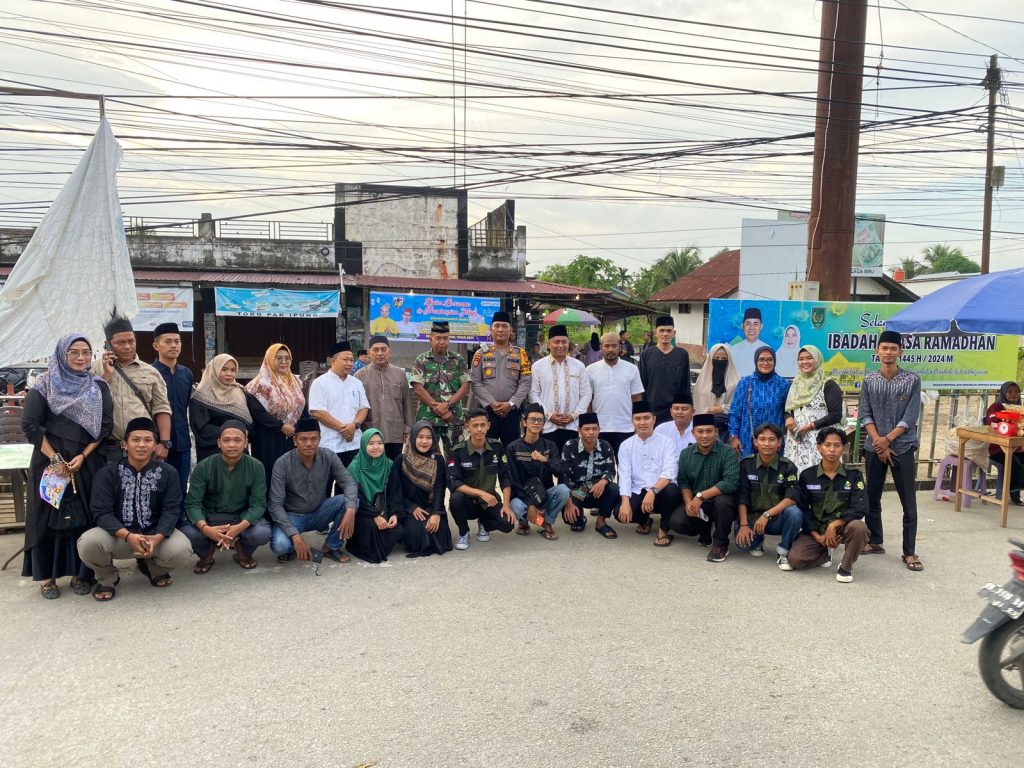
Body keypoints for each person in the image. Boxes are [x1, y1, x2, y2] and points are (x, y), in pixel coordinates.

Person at [22, 334, 112, 599]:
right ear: (62, 354)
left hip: (85, 464)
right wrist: (55, 459)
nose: (81, 357)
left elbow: (105, 426)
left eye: (86, 352)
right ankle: (47, 578)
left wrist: (83, 456)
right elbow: (30, 425)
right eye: (74, 352)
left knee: (83, 518)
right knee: (46, 519)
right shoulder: (44, 385)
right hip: (49, 463)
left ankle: (80, 574)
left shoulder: (97, 386)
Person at [78, 417, 193, 601]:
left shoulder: (168, 473)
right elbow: (101, 512)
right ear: (125, 444)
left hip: (153, 536)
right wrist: (128, 536)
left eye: (148, 440)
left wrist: (158, 537)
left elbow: (172, 510)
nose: (141, 445)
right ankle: (107, 577)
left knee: (182, 549)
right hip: (118, 537)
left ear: (155, 445)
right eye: (136, 440)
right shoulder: (107, 473)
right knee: (88, 543)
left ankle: (153, 568)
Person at [859, 329, 923, 572]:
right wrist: (879, 441)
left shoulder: (912, 380)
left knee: (908, 501)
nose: (888, 352)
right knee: (872, 497)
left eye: (893, 349)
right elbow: (865, 414)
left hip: (902, 447)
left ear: (900, 352)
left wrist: (888, 439)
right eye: (884, 348)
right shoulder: (869, 380)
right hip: (874, 447)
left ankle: (909, 552)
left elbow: (911, 416)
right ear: (877, 351)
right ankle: (875, 541)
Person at [267, 417, 358, 564]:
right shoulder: (282, 463)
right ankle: (293, 547)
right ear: (295, 440)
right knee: (280, 546)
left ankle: (331, 546)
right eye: (303, 439)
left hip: (319, 511)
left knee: (351, 501)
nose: (309, 443)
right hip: (293, 515)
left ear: (319, 439)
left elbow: (348, 482)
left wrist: (351, 510)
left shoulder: (328, 456)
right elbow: (275, 505)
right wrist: (295, 536)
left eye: (314, 439)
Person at [183, 421, 271, 573]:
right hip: (209, 517)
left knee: (262, 533)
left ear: (245, 442)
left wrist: (239, 528)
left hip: (240, 517)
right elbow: (192, 504)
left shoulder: (256, 466)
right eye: (226, 440)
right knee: (187, 532)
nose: (231, 445)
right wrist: (206, 529)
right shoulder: (203, 466)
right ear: (219, 443)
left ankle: (242, 548)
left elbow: (259, 504)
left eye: (237, 440)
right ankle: (206, 552)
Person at [787, 427, 870, 583]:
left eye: (837, 445)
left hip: (843, 527)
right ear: (819, 448)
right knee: (795, 560)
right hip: (817, 527)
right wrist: (818, 536)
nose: (832, 449)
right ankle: (825, 551)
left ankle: (845, 567)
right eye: (827, 445)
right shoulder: (807, 475)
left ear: (844, 448)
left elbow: (861, 507)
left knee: (859, 528)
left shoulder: (854, 475)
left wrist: (834, 525)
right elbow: (804, 509)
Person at [94, 316, 172, 464]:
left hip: (142, 448)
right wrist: (105, 376)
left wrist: (164, 443)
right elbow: (88, 404)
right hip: (107, 449)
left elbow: (162, 408)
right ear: (108, 344)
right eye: (120, 343)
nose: (127, 347)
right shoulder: (95, 370)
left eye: (131, 341)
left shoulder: (151, 372)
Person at [668, 414, 740, 560]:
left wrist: (700, 497)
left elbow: (730, 481)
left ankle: (721, 544)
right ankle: (704, 528)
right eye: (700, 431)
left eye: (709, 431)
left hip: (721, 501)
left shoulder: (728, 452)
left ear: (716, 432)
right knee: (677, 522)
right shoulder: (686, 454)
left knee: (723, 502)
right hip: (699, 503)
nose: (705, 435)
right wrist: (689, 503)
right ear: (693, 433)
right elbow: (684, 481)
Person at [445, 407, 517, 550]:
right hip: (468, 502)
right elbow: (454, 482)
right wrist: (481, 493)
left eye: (482, 425)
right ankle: (464, 532)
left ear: (488, 426)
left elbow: (505, 476)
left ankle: (484, 523)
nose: (479, 429)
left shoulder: (497, 447)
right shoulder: (457, 451)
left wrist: (506, 505)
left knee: (507, 524)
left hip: (489, 502)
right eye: (475, 425)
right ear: (467, 427)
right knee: (455, 499)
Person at [734, 422, 803, 569]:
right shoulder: (746, 464)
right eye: (762, 439)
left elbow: (791, 498)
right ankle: (757, 540)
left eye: (772, 440)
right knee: (743, 545)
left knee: (795, 513)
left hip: (776, 518)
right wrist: (744, 524)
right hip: (753, 518)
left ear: (779, 443)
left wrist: (767, 515)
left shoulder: (787, 466)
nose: (767, 443)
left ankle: (784, 550)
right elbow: (742, 496)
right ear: (755, 442)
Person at [505, 403, 570, 541]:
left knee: (563, 490)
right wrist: (530, 504)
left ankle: (547, 521)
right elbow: (513, 480)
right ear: (524, 422)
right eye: (532, 419)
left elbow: (561, 472)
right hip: (522, 496)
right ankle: (526, 522)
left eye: (540, 420)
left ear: (543, 424)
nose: (536, 423)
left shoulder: (549, 446)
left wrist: (545, 460)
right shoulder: (513, 448)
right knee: (515, 506)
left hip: (544, 494)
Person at [616, 400, 682, 536]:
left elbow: (670, 472)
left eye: (646, 418)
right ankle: (644, 520)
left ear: (654, 420)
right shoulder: (626, 445)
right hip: (638, 490)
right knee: (619, 513)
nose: (642, 422)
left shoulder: (667, 442)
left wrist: (653, 491)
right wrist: (625, 502)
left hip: (661, 491)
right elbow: (624, 476)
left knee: (672, 491)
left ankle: (663, 529)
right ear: (632, 421)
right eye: (638, 418)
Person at [245, 343, 307, 487]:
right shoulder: (258, 385)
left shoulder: (295, 381)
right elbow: (258, 413)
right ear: (270, 359)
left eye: (287, 358)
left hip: (291, 436)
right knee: (271, 474)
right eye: (278, 358)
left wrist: (299, 427)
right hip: (268, 438)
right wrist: (281, 426)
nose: (284, 362)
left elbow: (302, 406)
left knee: (291, 474)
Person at [470, 310, 532, 446]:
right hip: (487, 411)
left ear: (510, 331)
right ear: (490, 330)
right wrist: (492, 403)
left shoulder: (520, 354)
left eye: (504, 326)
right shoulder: (481, 353)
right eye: (497, 326)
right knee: (487, 448)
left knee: (512, 448)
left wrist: (510, 404)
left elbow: (526, 381)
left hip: (512, 412)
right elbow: (475, 381)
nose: (500, 329)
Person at [529, 323, 593, 453]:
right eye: (556, 342)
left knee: (570, 463)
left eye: (564, 342)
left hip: (572, 426)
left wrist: (573, 416)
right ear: (549, 344)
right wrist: (549, 415)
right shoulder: (537, 366)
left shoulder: (579, 366)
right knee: (546, 461)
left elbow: (586, 394)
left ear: (568, 344)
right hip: (547, 426)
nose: (561, 345)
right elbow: (533, 394)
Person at [410, 320, 471, 455]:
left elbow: (465, 386)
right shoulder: (421, 360)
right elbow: (418, 389)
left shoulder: (458, 359)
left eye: (445, 338)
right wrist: (439, 409)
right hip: (428, 418)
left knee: (456, 456)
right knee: (425, 456)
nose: (442, 342)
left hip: (453, 418)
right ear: (430, 339)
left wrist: (448, 405)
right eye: (438, 338)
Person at [344, 429, 404, 563]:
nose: (376, 447)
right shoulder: (354, 468)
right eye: (371, 443)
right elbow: (355, 497)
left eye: (380, 443)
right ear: (363, 445)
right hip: (362, 512)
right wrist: (374, 516)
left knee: (398, 530)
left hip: (383, 510)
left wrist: (394, 514)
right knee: (369, 527)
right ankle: (359, 546)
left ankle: (375, 545)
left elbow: (395, 492)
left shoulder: (388, 464)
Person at [783, 345, 845, 473]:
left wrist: (811, 426)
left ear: (817, 359)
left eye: (809, 358)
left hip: (821, 441)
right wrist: (788, 417)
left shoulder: (828, 384)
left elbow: (835, 415)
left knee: (819, 477)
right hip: (796, 441)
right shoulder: (795, 384)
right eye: (801, 359)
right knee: (795, 476)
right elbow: (789, 408)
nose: (804, 362)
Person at [308, 341, 370, 467]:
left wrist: (354, 425)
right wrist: (344, 429)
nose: (349, 363)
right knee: (327, 478)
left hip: (354, 443)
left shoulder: (356, 383)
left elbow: (364, 407)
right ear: (333, 361)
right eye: (345, 360)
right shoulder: (320, 383)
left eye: (351, 360)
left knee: (352, 478)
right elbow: (318, 412)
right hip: (329, 444)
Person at [396, 421, 453, 557]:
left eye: (429, 437)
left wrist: (436, 513)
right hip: (409, 508)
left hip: (431, 506)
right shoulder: (401, 460)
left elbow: (440, 489)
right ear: (412, 437)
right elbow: (396, 491)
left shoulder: (438, 460)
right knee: (415, 534)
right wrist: (411, 508)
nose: (424, 441)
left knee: (439, 531)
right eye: (420, 437)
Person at [150, 322, 192, 507]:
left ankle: (180, 521)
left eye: (177, 341)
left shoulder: (186, 374)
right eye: (168, 341)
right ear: (156, 345)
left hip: (182, 442)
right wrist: (158, 442)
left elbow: (186, 406)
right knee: (157, 489)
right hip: (157, 444)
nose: (174, 345)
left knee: (181, 487)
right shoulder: (149, 373)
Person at [560, 412, 619, 538]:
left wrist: (603, 481)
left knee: (614, 489)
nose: (591, 432)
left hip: (598, 489)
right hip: (578, 491)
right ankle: (580, 516)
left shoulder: (606, 446)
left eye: (594, 429)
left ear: (599, 430)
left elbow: (611, 470)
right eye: (586, 429)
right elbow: (564, 475)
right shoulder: (570, 446)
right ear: (579, 430)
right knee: (572, 520)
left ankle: (601, 522)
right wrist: (568, 503)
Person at [355, 335, 414, 460]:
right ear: (369, 353)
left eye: (383, 349)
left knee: (393, 466)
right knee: (372, 467)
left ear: (389, 352)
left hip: (395, 432)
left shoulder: (400, 374)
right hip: (370, 432)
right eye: (375, 350)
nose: (380, 353)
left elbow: (406, 403)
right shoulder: (359, 376)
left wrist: (407, 428)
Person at [586, 331, 644, 454]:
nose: (610, 349)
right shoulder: (590, 370)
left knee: (625, 463)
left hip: (626, 427)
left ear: (620, 347)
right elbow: (588, 399)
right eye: (606, 346)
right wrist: (590, 424)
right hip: (599, 428)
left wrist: (637, 423)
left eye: (614, 345)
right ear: (601, 348)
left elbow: (636, 398)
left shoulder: (632, 369)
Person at [189, 353, 252, 462]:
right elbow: (201, 428)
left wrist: (243, 433)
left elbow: (249, 423)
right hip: (212, 455)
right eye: (224, 369)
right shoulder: (201, 396)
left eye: (233, 370)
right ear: (214, 370)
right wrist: (231, 434)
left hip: (239, 453)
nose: (229, 374)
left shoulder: (240, 393)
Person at [729, 346, 790, 456]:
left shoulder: (783, 384)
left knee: (772, 466)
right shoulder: (745, 382)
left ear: (775, 362)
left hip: (772, 441)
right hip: (746, 440)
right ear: (756, 361)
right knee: (748, 466)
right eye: (761, 359)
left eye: (769, 359)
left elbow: (788, 412)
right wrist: (734, 436)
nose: (765, 363)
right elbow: (735, 412)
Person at [639, 315, 691, 425]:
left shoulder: (682, 355)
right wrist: (643, 410)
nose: (665, 334)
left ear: (674, 333)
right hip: (652, 410)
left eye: (669, 331)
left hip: (675, 411)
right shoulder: (646, 354)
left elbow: (685, 385)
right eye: (662, 330)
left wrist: (685, 410)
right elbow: (642, 384)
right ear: (655, 332)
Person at [984, 381, 1024, 505]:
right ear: (1003, 393)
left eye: (1016, 392)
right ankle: (1014, 495)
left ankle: (1015, 488)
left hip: (1015, 447)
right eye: (1009, 391)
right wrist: (1006, 423)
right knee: (1017, 466)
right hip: (996, 449)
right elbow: (991, 425)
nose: (1013, 394)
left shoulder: (1020, 408)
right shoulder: (996, 407)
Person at [693, 343, 740, 442]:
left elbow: (739, 406)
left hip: (727, 430)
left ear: (729, 360)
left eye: (724, 359)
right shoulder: (702, 381)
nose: (720, 361)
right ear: (711, 359)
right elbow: (697, 405)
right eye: (716, 358)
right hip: (704, 429)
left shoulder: (736, 381)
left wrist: (722, 408)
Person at [731, 307, 765, 378]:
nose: (751, 327)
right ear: (742, 326)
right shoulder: (733, 349)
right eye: (748, 324)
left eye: (755, 324)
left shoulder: (767, 349)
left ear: (761, 326)